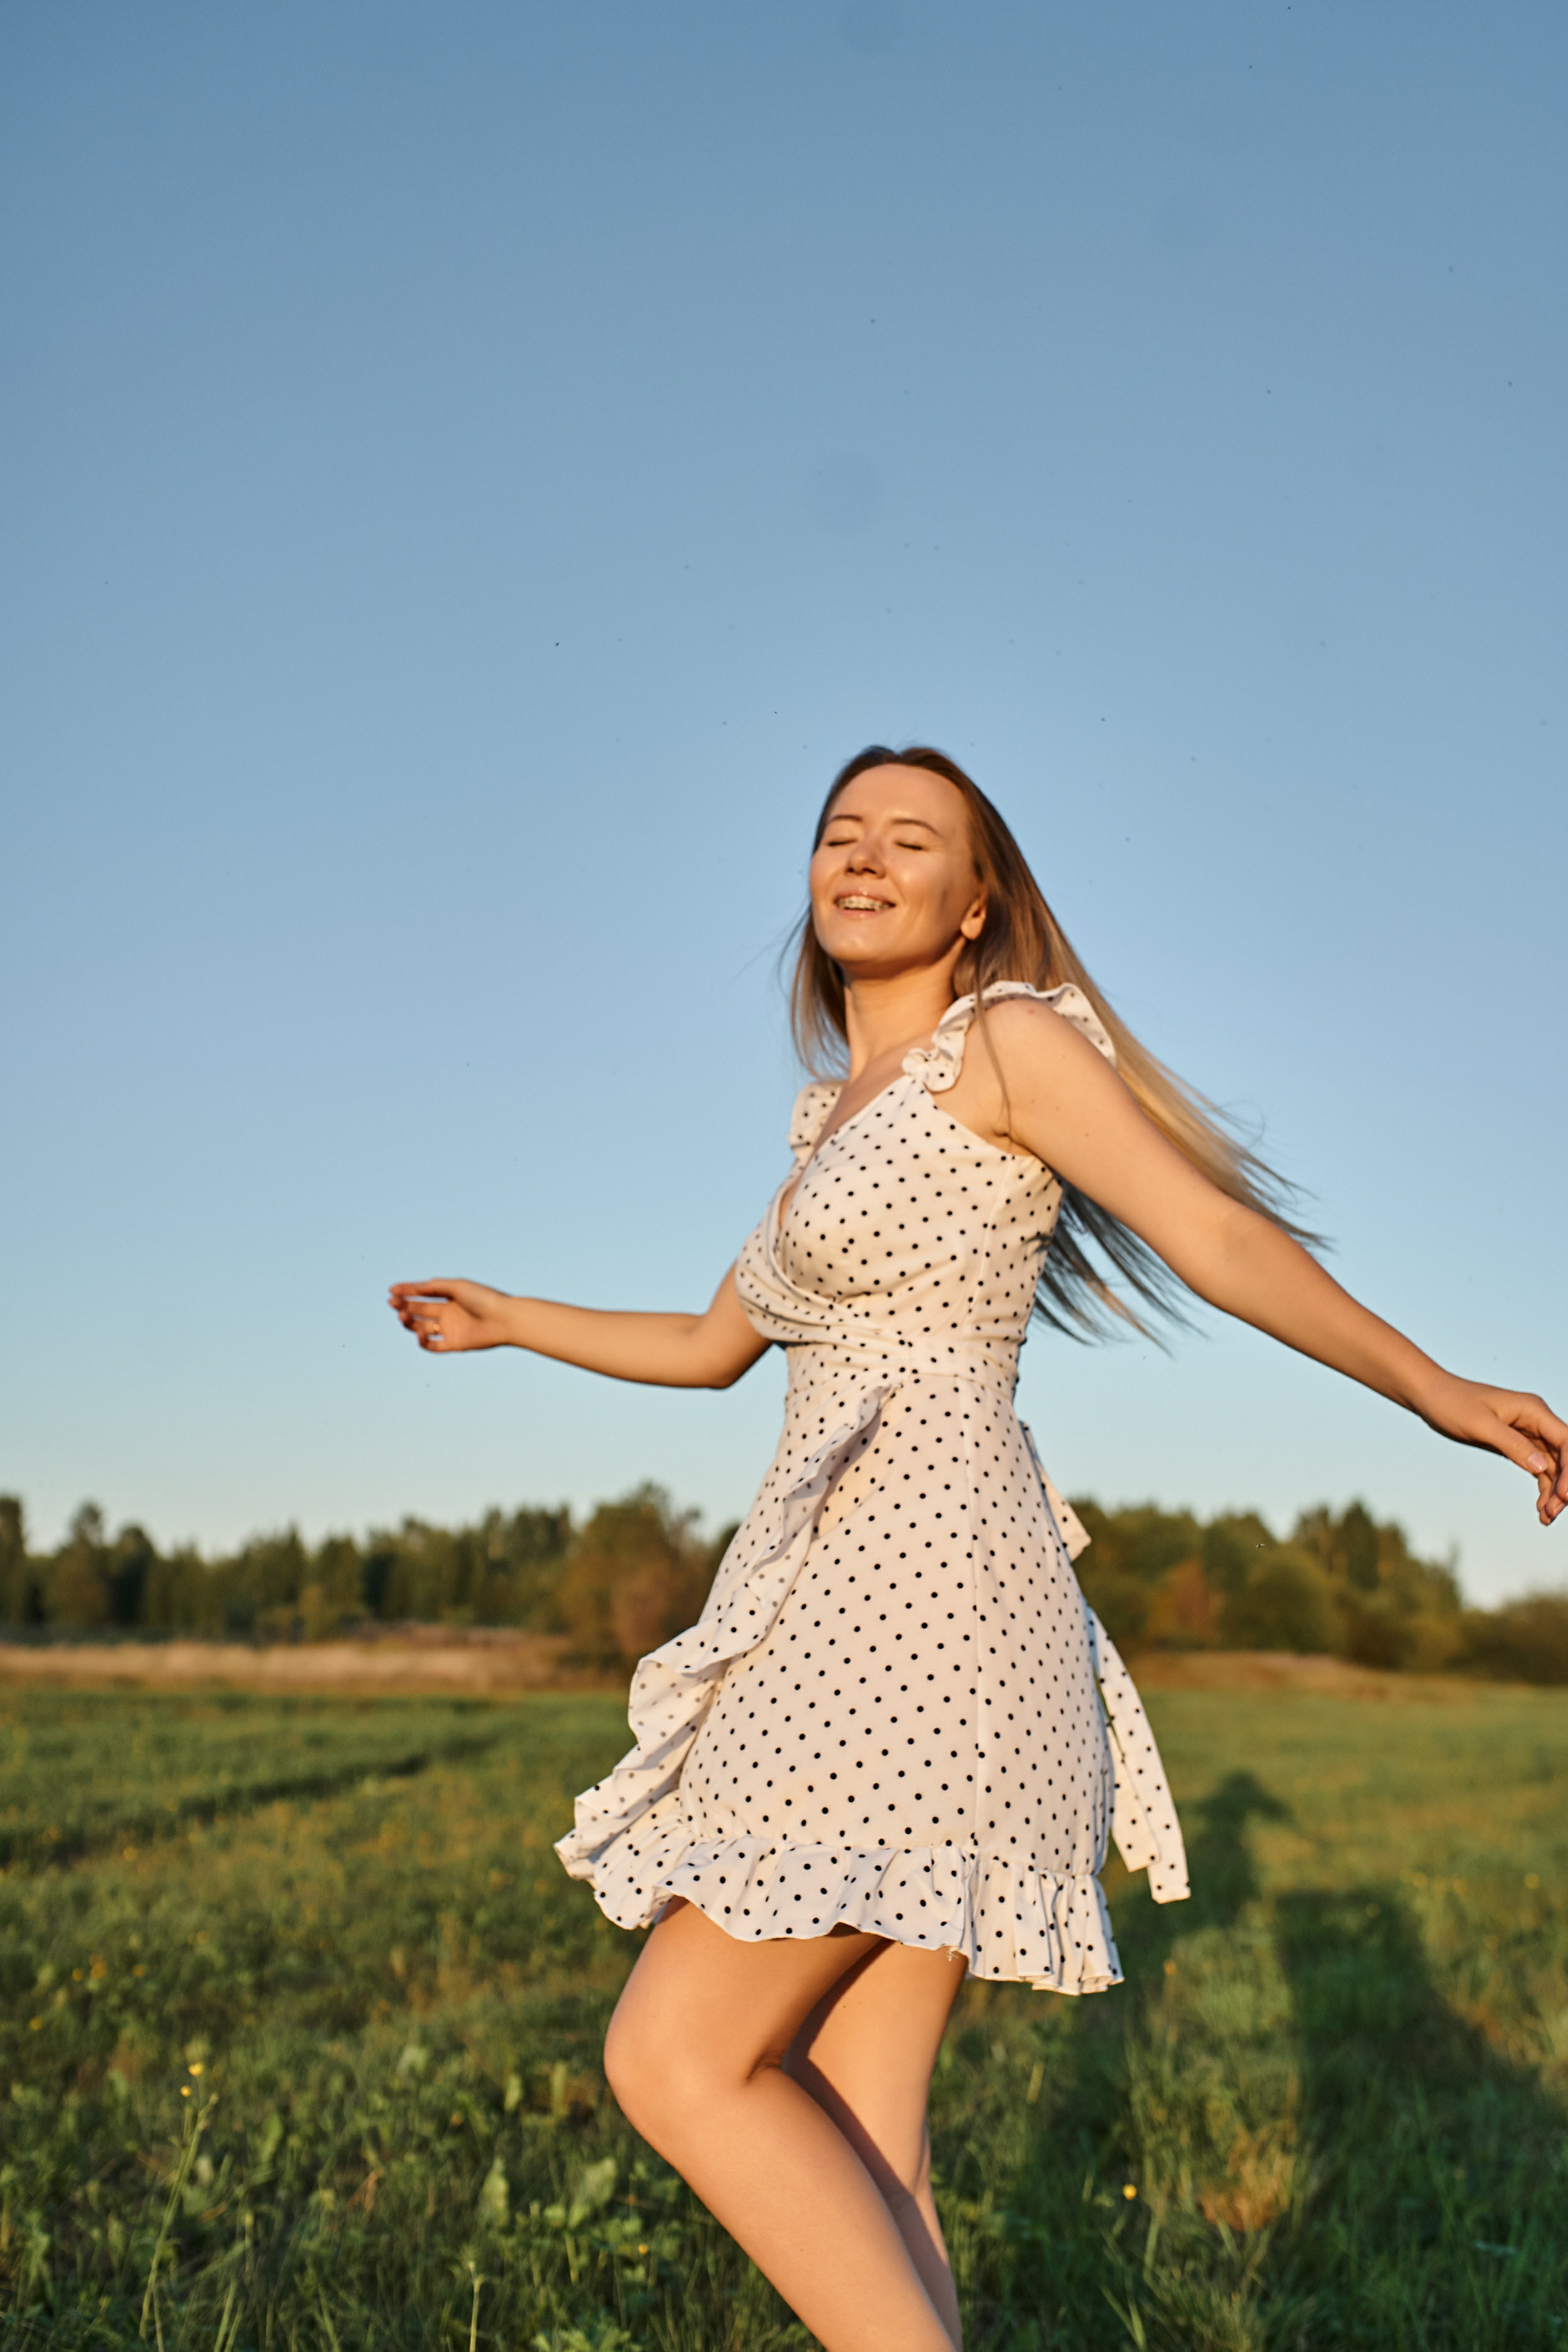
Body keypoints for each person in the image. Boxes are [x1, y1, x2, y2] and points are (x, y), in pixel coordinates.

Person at [389, 746, 1565, 2352]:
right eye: (837, 835)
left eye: (909, 842)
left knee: (671, 2058)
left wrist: (1429, 1388)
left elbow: (1208, 1234)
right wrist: (510, 1319)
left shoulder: (999, 1046)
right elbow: (705, 1344)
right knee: (866, 2128)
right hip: (843, 1594)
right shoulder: (831, 1122)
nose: (861, 861)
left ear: (976, 902)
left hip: (933, 1594)